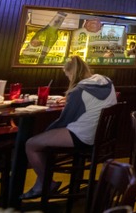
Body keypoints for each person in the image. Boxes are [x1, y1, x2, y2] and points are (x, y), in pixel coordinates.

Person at [20, 56, 117, 199]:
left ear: (72, 74)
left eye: (68, 75)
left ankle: (46, 183)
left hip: (83, 136)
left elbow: (65, 120)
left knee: (32, 144)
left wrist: (48, 131)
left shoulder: (78, 91)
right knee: (43, 141)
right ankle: (42, 182)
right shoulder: (106, 81)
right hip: (101, 134)